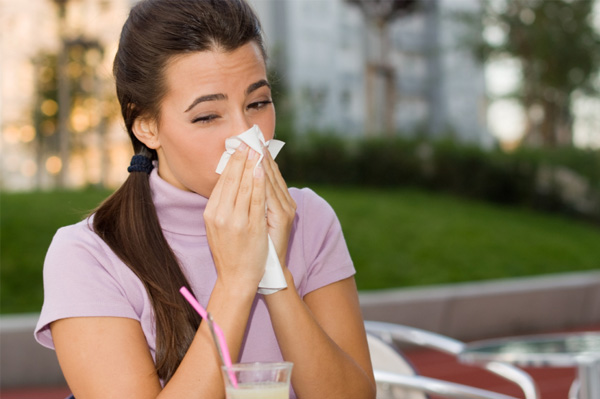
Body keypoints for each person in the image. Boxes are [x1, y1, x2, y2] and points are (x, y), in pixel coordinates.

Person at [34, 0, 376, 398]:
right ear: (146, 125)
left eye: (257, 103)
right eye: (207, 116)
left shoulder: (308, 219)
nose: (247, 134)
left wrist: (272, 274)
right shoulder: (88, 255)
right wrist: (235, 282)